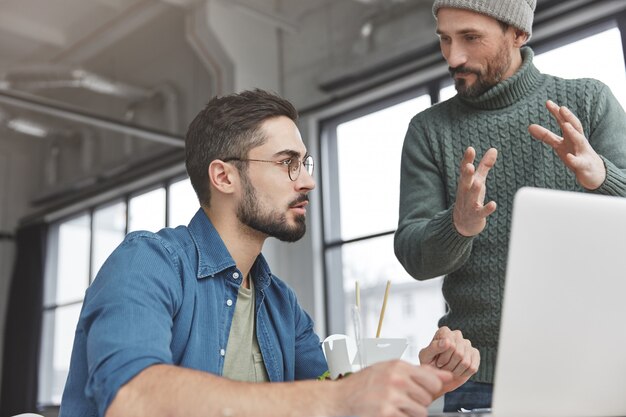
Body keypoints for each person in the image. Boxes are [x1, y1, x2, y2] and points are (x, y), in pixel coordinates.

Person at [59, 89, 480, 417]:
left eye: (306, 164)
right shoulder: (147, 263)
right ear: (224, 176)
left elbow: (333, 396)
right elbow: (133, 399)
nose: (307, 182)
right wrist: (338, 400)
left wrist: (418, 381)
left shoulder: (281, 304)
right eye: (286, 163)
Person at [394, 0, 626, 412]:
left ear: (518, 33)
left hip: (596, 367)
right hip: (476, 379)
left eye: (470, 37)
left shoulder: (588, 102)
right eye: (444, 39)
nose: (453, 57)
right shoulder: (428, 132)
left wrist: (602, 177)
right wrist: (458, 225)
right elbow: (414, 255)